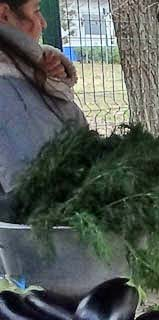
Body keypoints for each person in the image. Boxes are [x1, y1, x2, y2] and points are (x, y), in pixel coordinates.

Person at [0, 0, 85, 194]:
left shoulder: (25, 73)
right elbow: (42, 192)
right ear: (4, 15)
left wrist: (38, 69)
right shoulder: (10, 94)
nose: (44, 23)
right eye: (36, 10)